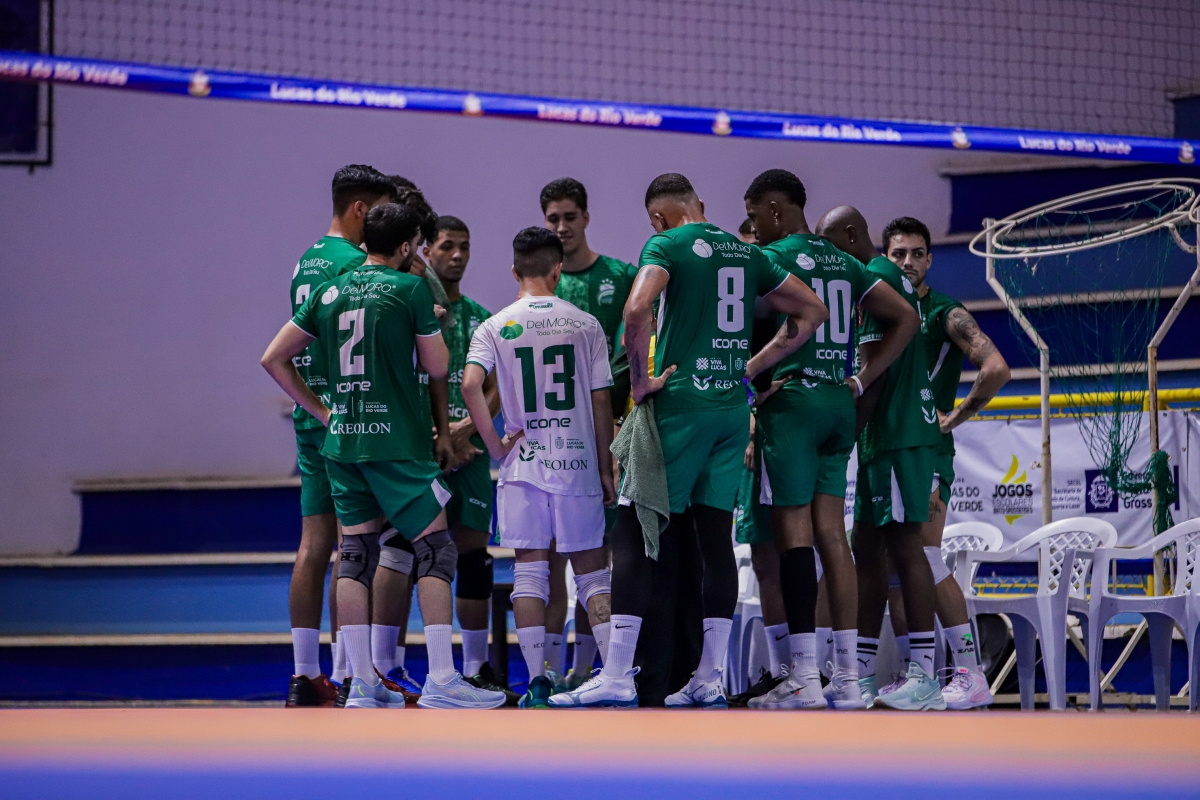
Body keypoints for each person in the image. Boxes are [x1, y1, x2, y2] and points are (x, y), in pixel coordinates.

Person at [552, 173, 828, 708]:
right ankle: (707, 676)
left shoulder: (666, 244)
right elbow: (812, 311)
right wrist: (750, 369)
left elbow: (636, 309)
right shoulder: (747, 252)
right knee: (714, 539)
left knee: (634, 528)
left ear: (659, 217)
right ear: (699, 204)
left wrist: (639, 381)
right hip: (731, 410)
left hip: (680, 406)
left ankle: (617, 673)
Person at [261, 202, 507, 710]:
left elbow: (274, 357)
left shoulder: (330, 290)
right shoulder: (410, 289)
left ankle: (361, 684)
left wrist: (321, 410)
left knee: (355, 553)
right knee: (436, 549)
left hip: (343, 441)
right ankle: (443, 678)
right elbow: (437, 365)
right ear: (406, 246)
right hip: (396, 441)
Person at [742, 171, 918, 710]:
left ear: (776, 210)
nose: (753, 226)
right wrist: (861, 380)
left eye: (754, 216)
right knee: (833, 538)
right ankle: (846, 679)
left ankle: (803, 680)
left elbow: (770, 327)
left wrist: (752, 375)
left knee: (793, 538)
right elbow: (906, 318)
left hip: (794, 403)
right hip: (839, 405)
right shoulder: (845, 261)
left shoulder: (772, 259)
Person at [463, 227, 616, 708]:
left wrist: (495, 445)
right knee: (592, 576)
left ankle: (536, 682)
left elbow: (469, 385)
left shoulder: (494, 325)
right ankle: (614, 677)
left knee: (530, 574)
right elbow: (601, 402)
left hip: (522, 465)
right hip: (578, 462)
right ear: (558, 270)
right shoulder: (586, 324)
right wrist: (606, 467)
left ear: (514, 271)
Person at [816, 205, 945, 711]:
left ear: (852, 235)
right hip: (884, 436)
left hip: (897, 433)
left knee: (908, 547)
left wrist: (842, 439)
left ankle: (925, 675)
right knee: (866, 547)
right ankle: (863, 674)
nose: (828, 258)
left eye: (831, 246)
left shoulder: (873, 279)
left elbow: (871, 376)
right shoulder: (877, 278)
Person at [880, 216, 1010, 710]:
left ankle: (971, 673)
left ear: (931, 260)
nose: (907, 262)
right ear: (885, 257)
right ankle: (916, 675)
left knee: (925, 556)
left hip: (927, 450)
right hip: (888, 446)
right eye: (898, 253)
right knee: (897, 563)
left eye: (917, 253)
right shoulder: (880, 307)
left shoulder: (943, 312)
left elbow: (996, 367)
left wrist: (953, 418)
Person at [285, 164, 395, 707]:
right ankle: (351, 672)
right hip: (349, 419)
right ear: (360, 210)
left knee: (313, 545)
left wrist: (313, 408)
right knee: (356, 545)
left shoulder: (304, 261)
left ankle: (306, 675)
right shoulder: (355, 263)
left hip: (313, 418)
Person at [540, 178, 639, 687]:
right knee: (549, 558)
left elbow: (635, 352)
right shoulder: (541, 285)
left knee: (595, 560)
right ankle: (547, 673)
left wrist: (620, 424)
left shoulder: (621, 276)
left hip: (607, 435)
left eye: (569, 217)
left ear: (586, 217)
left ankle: (585, 671)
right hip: (551, 439)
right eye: (553, 219)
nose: (561, 227)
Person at [422, 215, 513, 699]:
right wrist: (438, 436)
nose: (457, 255)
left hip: (472, 452)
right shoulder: (413, 308)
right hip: (421, 453)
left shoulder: (484, 317)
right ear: (426, 251)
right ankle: (391, 667)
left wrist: (464, 430)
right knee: (413, 553)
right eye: (447, 246)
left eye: (464, 246)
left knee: (474, 557)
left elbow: (497, 388)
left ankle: (476, 668)